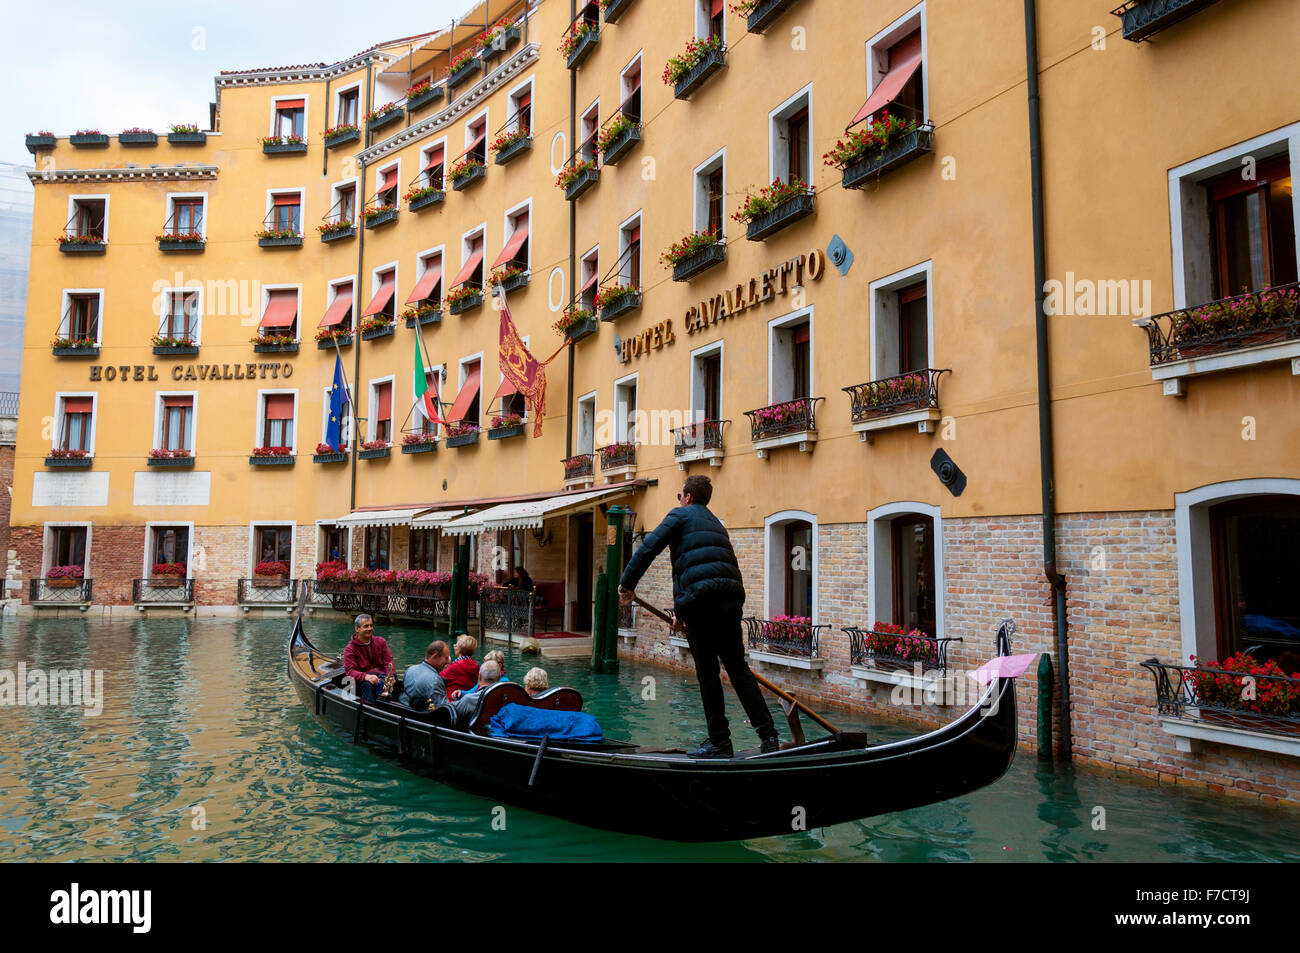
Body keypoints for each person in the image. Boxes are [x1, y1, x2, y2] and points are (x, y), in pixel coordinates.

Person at [619, 474, 779, 758]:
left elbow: (648, 548)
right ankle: (769, 736)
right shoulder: (715, 523)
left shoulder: (679, 516)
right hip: (731, 598)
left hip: (701, 601)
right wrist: (681, 612)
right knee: (738, 669)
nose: (679, 500)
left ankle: (720, 741)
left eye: (679, 496)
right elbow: (698, 564)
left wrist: (627, 584)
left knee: (708, 672)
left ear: (688, 497)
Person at [341, 614, 394, 703]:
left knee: (392, 678)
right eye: (366, 626)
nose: (370, 628)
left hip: (380, 676)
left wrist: (390, 676)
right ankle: (369, 707)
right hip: (360, 680)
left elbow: (388, 661)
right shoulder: (349, 649)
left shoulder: (381, 642)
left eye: (371, 625)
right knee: (367, 685)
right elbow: (350, 671)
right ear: (357, 629)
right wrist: (366, 676)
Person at [398, 640, 451, 709]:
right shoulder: (435, 680)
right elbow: (445, 709)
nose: (448, 661)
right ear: (435, 656)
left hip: (403, 709)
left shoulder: (410, 669)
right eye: (446, 658)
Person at [449, 660, 502, 727]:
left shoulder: (469, 700)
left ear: (479, 676)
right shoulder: (505, 699)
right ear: (499, 677)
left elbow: (450, 713)